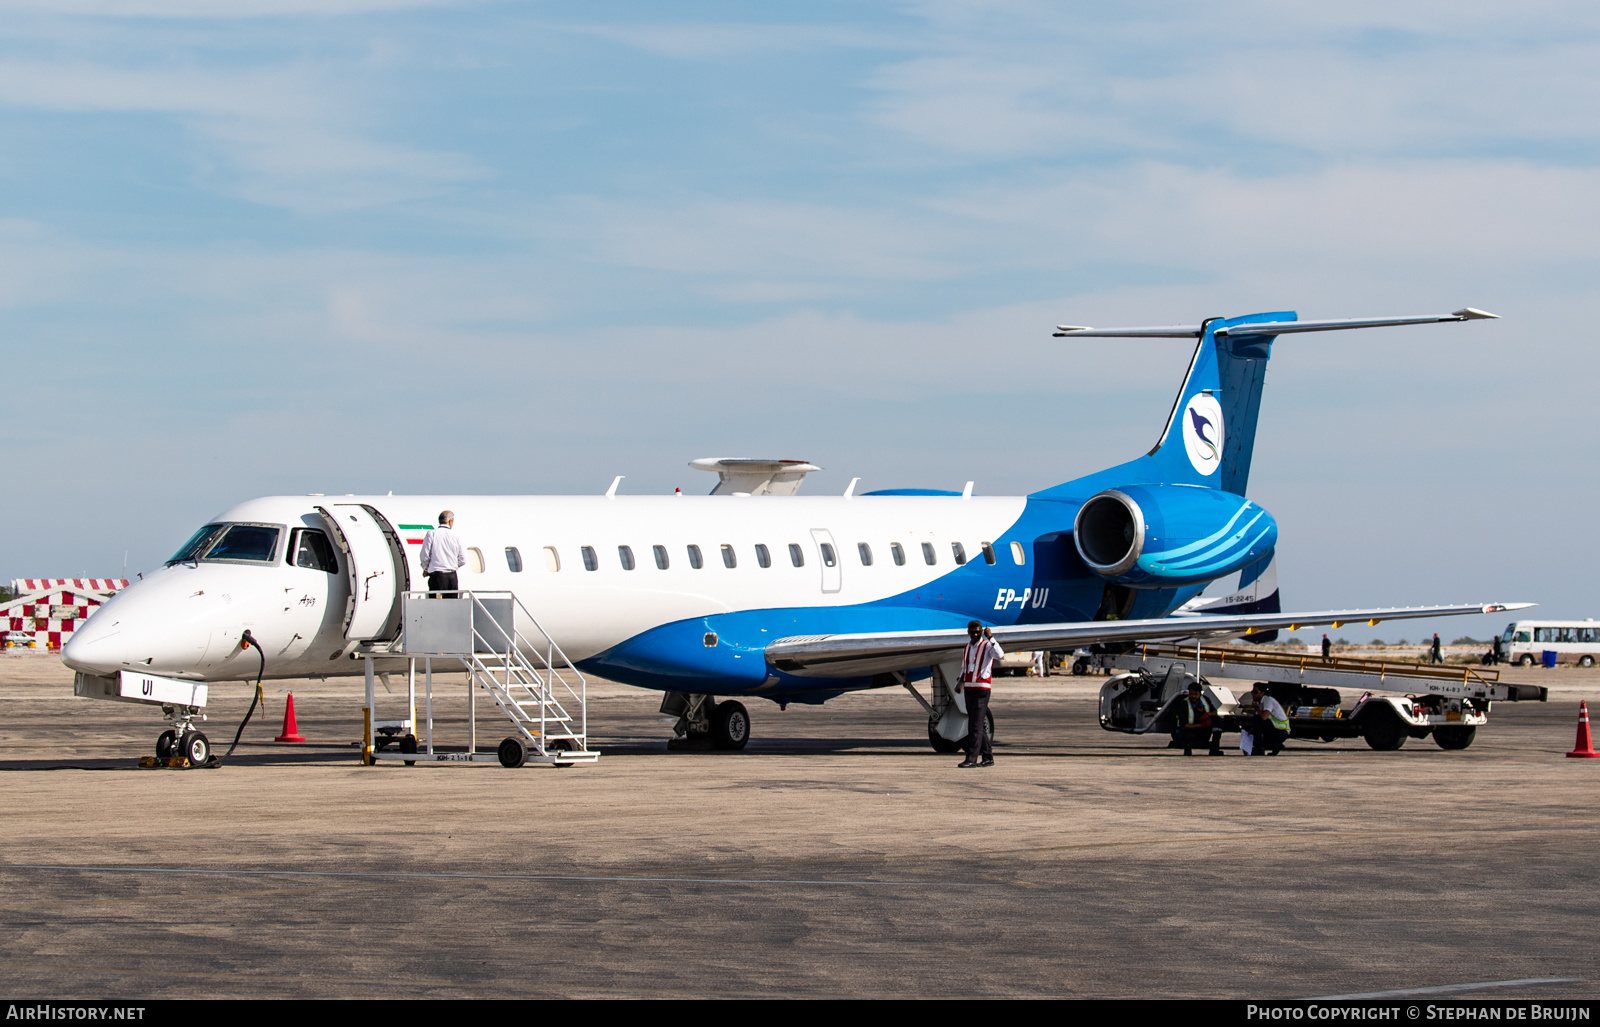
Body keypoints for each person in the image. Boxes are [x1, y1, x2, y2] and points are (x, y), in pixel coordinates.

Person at [955, 620, 1003, 768]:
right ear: (968, 632)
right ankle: (988, 756)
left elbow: (1000, 655)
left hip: (982, 689)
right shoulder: (967, 647)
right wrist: (960, 683)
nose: (975, 634)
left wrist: (991, 637)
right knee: (976, 725)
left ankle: (972, 758)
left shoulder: (988, 646)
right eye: (972, 632)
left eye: (978, 632)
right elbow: (965, 667)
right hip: (969, 688)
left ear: (982, 632)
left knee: (975, 726)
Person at [418, 510, 465, 597]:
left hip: (437, 577)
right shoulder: (455, 536)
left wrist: (426, 569)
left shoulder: (431, 534)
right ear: (450, 522)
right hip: (452, 577)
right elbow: (462, 560)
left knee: (437, 607)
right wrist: (451, 565)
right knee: (453, 605)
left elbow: (424, 556)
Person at [1174, 680, 1223, 756]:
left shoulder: (1205, 700)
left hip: (1202, 730)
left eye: (1196, 694)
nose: (1193, 696)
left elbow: (1215, 712)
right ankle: (1188, 747)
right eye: (1191, 694)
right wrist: (1201, 725)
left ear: (1200, 694)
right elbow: (1184, 725)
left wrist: (1208, 715)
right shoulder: (1184, 704)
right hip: (1188, 731)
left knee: (1218, 721)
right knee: (1187, 735)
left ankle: (1215, 748)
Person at [1242, 682, 1289, 756]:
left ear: (1262, 693)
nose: (1253, 694)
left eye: (1255, 692)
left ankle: (1259, 748)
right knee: (1254, 725)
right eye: (1252, 692)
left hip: (1281, 731)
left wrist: (1256, 708)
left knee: (1257, 719)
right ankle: (1275, 745)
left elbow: (1264, 717)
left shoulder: (1268, 700)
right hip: (1275, 730)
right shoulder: (1260, 703)